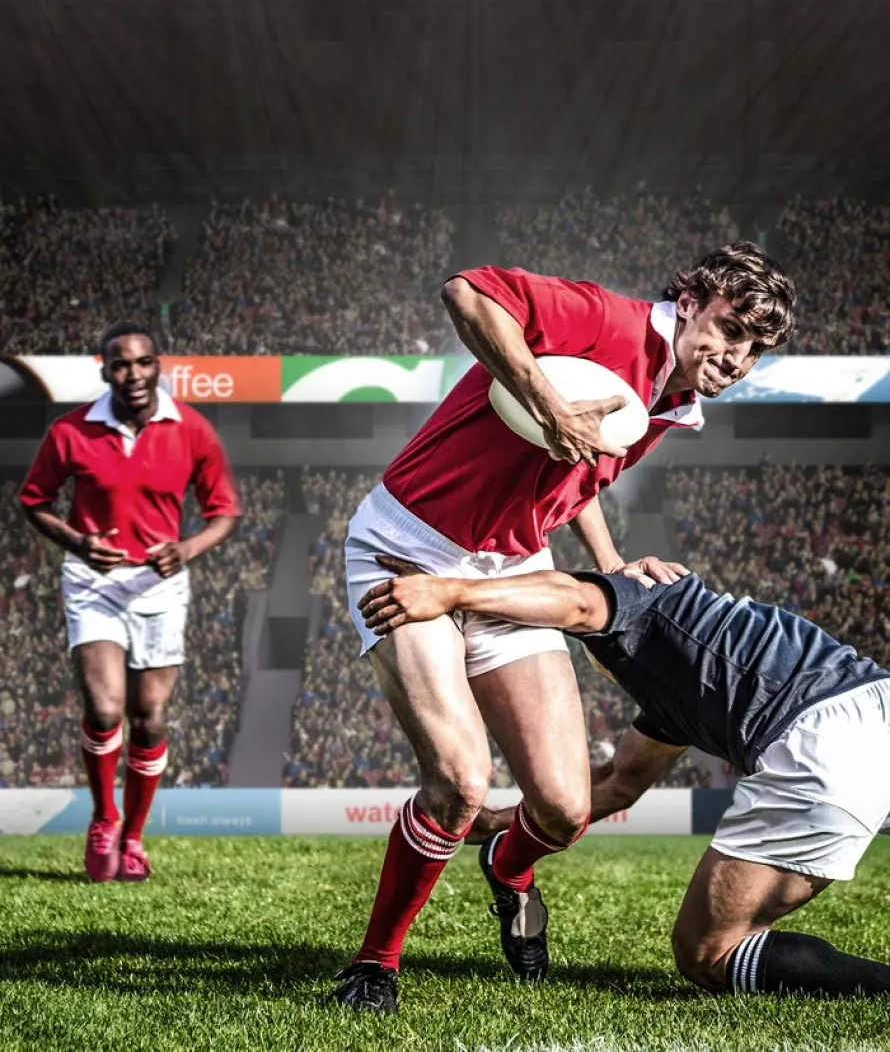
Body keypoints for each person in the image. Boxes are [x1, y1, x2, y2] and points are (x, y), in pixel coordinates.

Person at [333, 242, 796, 1012]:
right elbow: (468, 291)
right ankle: (375, 963)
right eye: (728, 327)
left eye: (754, 345)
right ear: (690, 302)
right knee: (458, 780)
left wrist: (615, 561)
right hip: (406, 550)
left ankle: (508, 868)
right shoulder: (607, 319)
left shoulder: (675, 400)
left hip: (511, 567)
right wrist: (545, 400)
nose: (736, 354)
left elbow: (577, 472)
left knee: (563, 806)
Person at [361, 559, 890, 1000]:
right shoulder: (677, 684)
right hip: (876, 701)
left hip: (822, 741)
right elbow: (621, 779)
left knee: (708, 952)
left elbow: (576, 599)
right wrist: (501, 824)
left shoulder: (643, 597)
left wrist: (449, 593)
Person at [19, 322, 241, 883]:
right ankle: (105, 819)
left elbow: (224, 512)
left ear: (158, 366)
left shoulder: (191, 428)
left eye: (143, 363)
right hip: (93, 582)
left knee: (149, 719)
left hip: (160, 585)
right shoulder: (71, 430)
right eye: (121, 364)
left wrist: (186, 548)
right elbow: (35, 500)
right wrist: (79, 542)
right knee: (106, 710)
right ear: (105, 370)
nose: (133, 374)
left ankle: (135, 838)